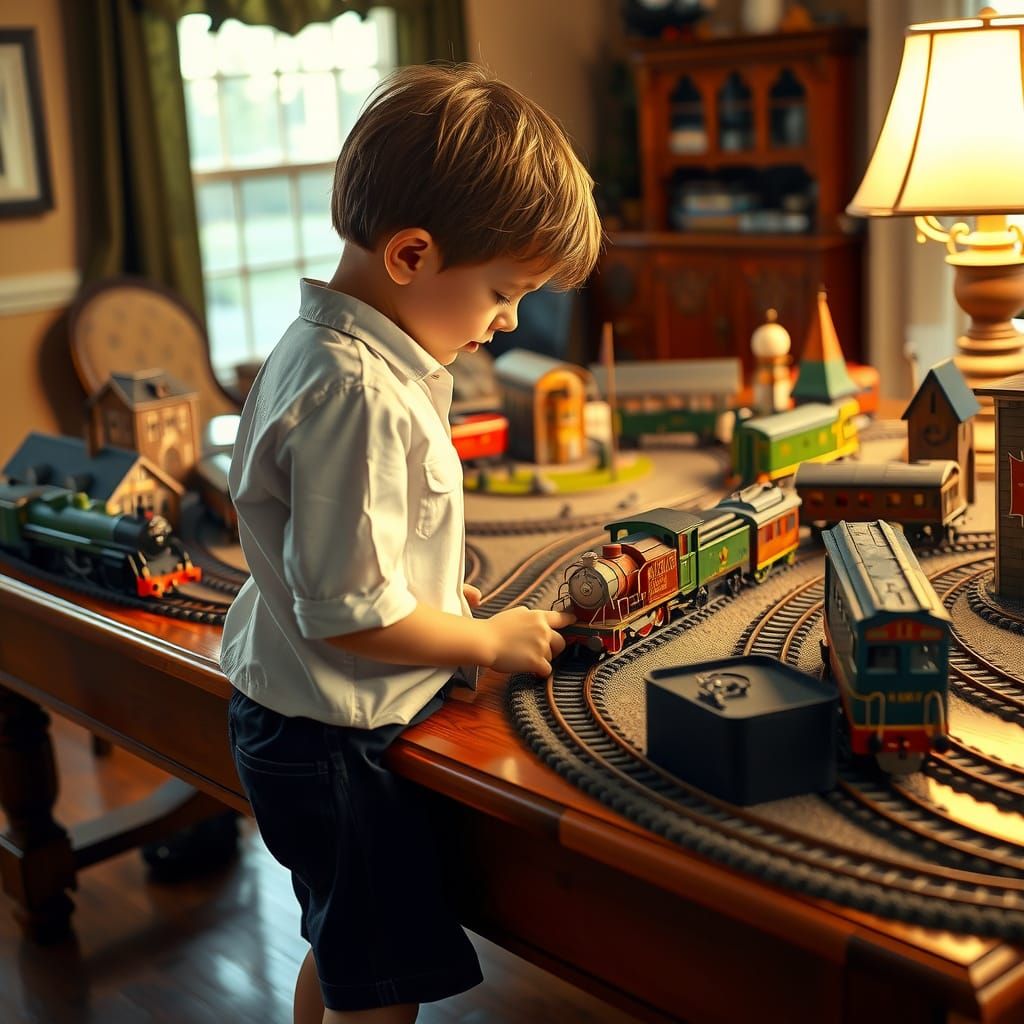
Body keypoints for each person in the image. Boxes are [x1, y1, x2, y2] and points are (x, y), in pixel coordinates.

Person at [220, 63, 602, 1024]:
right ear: (412, 256)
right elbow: (350, 617)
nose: (510, 320)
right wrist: (484, 640)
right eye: (504, 293)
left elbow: (351, 559)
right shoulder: (360, 395)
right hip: (335, 737)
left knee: (347, 951)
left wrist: (439, 607)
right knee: (381, 989)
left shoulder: (323, 346)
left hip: (298, 712)